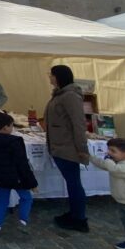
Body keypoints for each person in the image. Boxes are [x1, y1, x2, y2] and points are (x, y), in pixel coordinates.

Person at [0, 112, 38, 235]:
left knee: (2, 200)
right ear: (5, 127)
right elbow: (22, 164)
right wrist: (32, 183)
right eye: (11, 126)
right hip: (16, 178)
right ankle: (23, 221)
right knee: (26, 198)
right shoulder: (15, 141)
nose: (12, 128)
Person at [45, 64, 90, 232]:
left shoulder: (70, 96)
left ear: (58, 77)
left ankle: (79, 218)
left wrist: (81, 149)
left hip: (67, 147)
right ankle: (75, 213)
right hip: (60, 145)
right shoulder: (61, 94)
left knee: (74, 183)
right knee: (72, 182)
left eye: (51, 75)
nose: (49, 77)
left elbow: (78, 124)